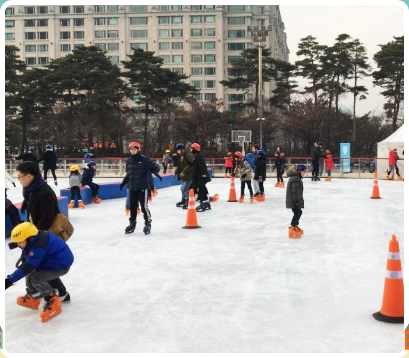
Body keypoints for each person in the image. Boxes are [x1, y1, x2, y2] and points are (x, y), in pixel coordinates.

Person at [15, 161, 70, 303]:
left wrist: (32, 236)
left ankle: (60, 294)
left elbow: (47, 218)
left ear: (29, 176)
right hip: (36, 232)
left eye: (20, 176)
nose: (19, 179)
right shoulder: (31, 190)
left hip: (47, 234)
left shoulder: (45, 192)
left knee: (44, 266)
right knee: (39, 265)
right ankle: (36, 292)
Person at [5, 222, 74, 322]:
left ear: (29, 238)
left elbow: (27, 267)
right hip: (50, 261)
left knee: (37, 279)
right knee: (31, 273)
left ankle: (52, 301)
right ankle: (35, 297)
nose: (18, 245)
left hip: (60, 265)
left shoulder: (37, 247)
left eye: (20, 242)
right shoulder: (34, 238)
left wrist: (9, 281)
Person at [119, 141, 160, 234]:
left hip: (143, 187)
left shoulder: (145, 159)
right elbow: (129, 173)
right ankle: (132, 223)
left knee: (144, 207)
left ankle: (148, 223)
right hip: (133, 187)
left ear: (138, 149)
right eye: (131, 149)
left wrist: (155, 169)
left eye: (134, 149)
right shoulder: (129, 161)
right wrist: (124, 182)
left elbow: (155, 167)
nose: (132, 151)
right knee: (132, 207)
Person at [286, 164, 306, 239]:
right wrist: (296, 201)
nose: (304, 173)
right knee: (297, 213)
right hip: (294, 200)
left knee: (298, 212)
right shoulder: (295, 179)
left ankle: (295, 226)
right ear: (299, 171)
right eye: (303, 171)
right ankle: (292, 227)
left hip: (294, 200)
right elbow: (295, 191)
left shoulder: (296, 178)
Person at [190, 143, 212, 212]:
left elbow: (202, 165)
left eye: (192, 148)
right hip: (198, 176)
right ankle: (206, 203)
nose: (191, 150)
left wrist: (203, 175)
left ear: (195, 149)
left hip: (201, 177)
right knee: (201, 189)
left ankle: (203, 203)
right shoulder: (197, 155)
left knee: (201, 190)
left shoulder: (199, 156)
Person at [174, 143, 194, 209]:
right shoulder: (182, 155)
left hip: (189, 174)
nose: (177, 151)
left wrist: (184, 171)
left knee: (185, 188)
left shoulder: (188, 154)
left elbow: (191, 164)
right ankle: (184, 199)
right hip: (184, 175)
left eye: (178, 150)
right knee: (182, 188)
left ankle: (188, 200)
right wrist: (176, 172)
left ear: (182, 149)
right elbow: (180, 165)